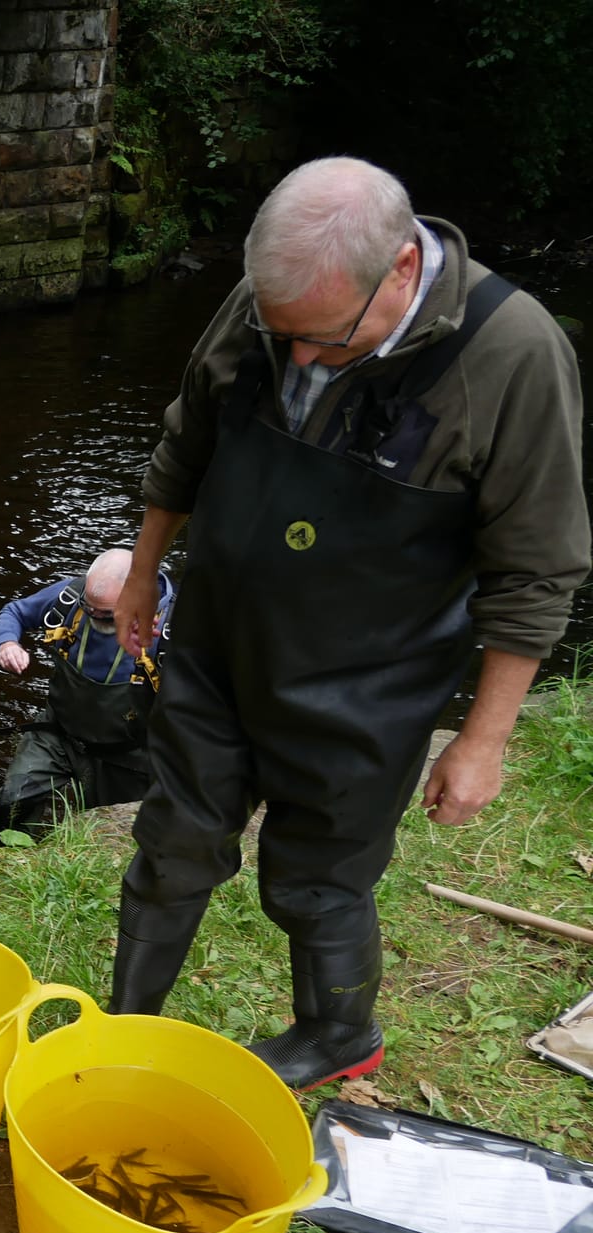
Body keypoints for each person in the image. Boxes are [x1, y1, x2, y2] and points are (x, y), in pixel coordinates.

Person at [106, 157, 589, 1088]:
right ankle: (122, 1028)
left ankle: (338, 1035)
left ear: (402, 269)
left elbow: (538, 570)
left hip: (364, 682)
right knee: (174, 841)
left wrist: (483, 741)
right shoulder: (279, 296)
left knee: (316, 877)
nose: (299, 358)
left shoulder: (512, 356)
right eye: (279, 334)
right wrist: (143, 573)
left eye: (325, 338)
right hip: (219, 644)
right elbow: (189, 435)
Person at [0, 548, 174, 841]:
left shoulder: (174, 630)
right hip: (58, 734)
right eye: (90, 608)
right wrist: (7, 643)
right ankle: (10, 867)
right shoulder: (72, 598)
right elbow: (15, 611)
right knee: (11, 803)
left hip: (126, 756)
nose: (94, 616)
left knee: (109, 836)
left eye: (107, 615)